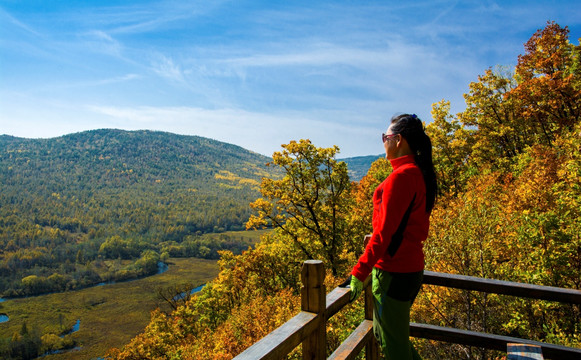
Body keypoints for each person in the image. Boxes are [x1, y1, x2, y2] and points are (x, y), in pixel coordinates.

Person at [349, 113, 437, 360]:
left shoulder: (401, 177)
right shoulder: (416, 173)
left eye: (384, 137)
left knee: (393, 347)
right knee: (390, 337)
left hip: (394, 272)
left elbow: (384, 234)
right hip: (409, 270)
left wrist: (358, 273)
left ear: (398, 140)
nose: (383, 142)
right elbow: (406, 226)